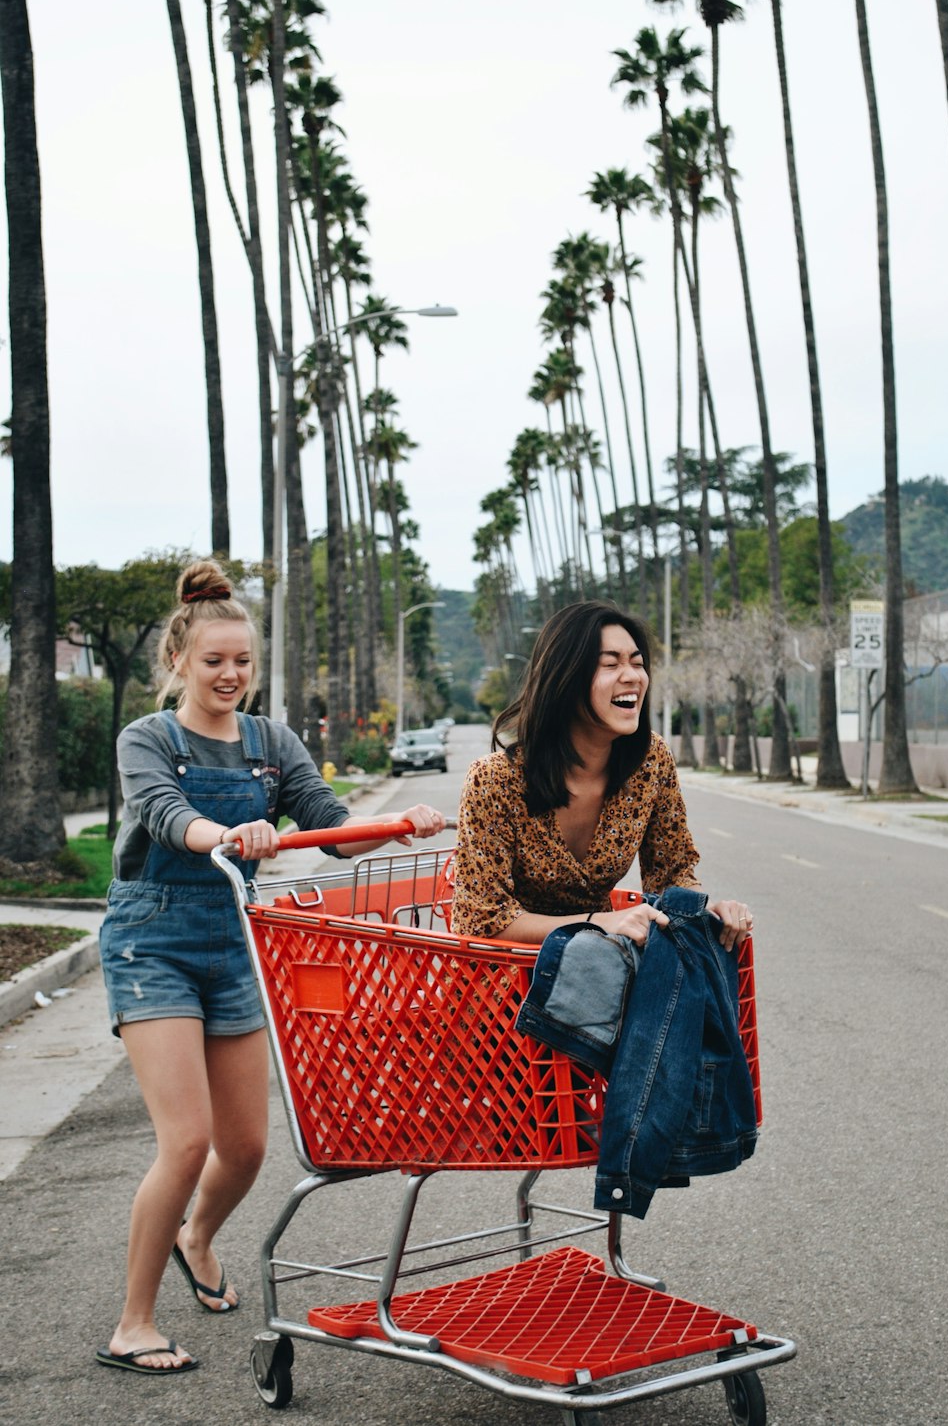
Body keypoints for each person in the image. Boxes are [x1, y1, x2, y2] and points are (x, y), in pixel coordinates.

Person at [96, 559, 446, 1376]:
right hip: (151, 940)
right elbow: (165, 814)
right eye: (214, 660)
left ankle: (198, 1237)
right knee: (186, 1141)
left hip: (236, 938)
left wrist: (397, 825)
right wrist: (224, 836)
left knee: (248, 1146)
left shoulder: (270, 743)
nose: (230, 675)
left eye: (242, 662)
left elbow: (327, 824)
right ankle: (132, 1323)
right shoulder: (149, 739)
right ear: (179, 660)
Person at [451, 599, 753, 949]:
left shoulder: (650, 762)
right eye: (610, 664)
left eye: (637, 663)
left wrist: (704, 908)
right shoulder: (494, 780)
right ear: (565, 680)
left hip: (599, 970)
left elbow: (673, 873)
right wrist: (597, 922)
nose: (632, 676)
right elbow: (481, 920)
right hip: (506, 981)